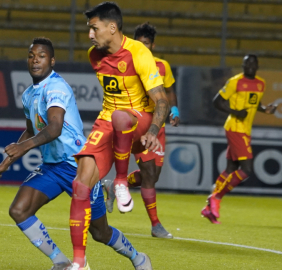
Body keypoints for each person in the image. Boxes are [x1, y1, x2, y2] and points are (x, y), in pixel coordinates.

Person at [0, 37, 152, 270]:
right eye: (31, 55)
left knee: (100, 232)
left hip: (79, 166)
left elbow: (54, 128)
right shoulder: (28, 95)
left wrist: (22, 148)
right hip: (52, 167)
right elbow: (31, 129)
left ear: (52, 60)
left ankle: (138, 258)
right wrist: (7, 161)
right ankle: (61, 262)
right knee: (19, 210)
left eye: (42, 56)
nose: (35, 60)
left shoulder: (57, 87)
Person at [69, 2, 169, 270]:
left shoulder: (139, 52)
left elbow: (162, 101)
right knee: (80, 184)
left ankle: (122, 181)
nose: (90, 34)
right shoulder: (95, 55)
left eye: (94, 28)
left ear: (112, 28)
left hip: (141, 119)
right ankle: (79, 262)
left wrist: (152, 131)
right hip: (109, 122)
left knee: (122, 118)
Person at [102, 22, 179, 239]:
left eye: (147, 44)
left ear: (153, 45)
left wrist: (174, 109)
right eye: (139, 43)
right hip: (140, 126)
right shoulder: (128, 63)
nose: (143, 47)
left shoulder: (163, 66)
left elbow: (169, 90)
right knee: (149, 176)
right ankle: (156, 225)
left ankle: (115, 185)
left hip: (159, 127)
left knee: (152, 177)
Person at [201, 54, 277, 224]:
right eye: (246, 63)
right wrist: (236, 112)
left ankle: (209, 209)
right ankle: (216, 198)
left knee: (231, 168)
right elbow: (217, 101)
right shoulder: (235, 81)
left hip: (245, 130)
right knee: (247, 168)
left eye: (252, 63)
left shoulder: (260, 83)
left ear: (257, 66)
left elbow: (253, 102)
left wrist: (265, 110)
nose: (249, 66)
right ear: (242, 65)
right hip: (235, 127)